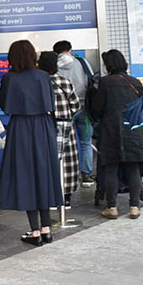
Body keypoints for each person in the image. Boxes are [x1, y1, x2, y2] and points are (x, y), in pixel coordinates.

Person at [0, 40, 61, 246]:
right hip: (43, 126)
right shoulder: (43, 76)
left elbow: (4, 103)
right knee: (44, 174)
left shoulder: (9, 78)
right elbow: (50, 101)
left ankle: (35, 231)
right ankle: (47, 229)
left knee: (26, 176)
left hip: (20, 128)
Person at [91, 49, 143, 220]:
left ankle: (112, 207)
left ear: (109, 65)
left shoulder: (105, 82)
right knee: (133, 168)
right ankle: (134, 207)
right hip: (133, 130)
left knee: (111, 169)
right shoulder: (135, 82)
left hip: (111, 130)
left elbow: (97, 108)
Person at [39, 51, 81, 208]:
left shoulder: (38, 83)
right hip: (65, 127)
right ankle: (66, 197)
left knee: (47, 161)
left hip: (45, 127)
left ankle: (50, 196)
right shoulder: (65, 82)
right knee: (67, 161)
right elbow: (76, 106)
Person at [54, 41, 95, 187]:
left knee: (63, 144)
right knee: (86, 143)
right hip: (83, 108)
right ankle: (87, 176)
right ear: (70, 50)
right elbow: (90, 81)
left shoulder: (53, 67)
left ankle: (63, 174)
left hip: (62, 112)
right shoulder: (82, 62)